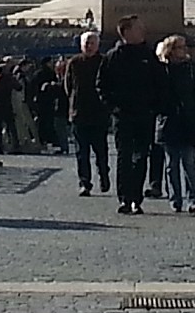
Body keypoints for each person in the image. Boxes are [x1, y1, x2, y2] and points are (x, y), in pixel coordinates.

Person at [103, 16, 162, 214]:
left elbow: (159, 81)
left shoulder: (149, 54)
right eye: (138, 27)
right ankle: (125, 199)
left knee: (141, 156)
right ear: (126, 32)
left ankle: (136, 197)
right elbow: (101, 85)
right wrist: (113, 107)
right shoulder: (113, 56)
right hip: (123, 115)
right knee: (124, 157)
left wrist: (154, 105)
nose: (143, 30)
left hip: (145, 114)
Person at [157, 34, 195, 214]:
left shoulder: (191, 69)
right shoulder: (161, 70)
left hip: (188, 120)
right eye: (180, 47)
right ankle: (175, 198)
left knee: (189, 163)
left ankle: (193, 199)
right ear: (171, 50)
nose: (184, 50)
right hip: (169, 120)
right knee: (172, 164)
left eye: (184, 47)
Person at [67, 31, 110, 197]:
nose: (88, 46)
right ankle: (85, 182)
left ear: (97, 45)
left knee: (101, 150)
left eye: (92, 43)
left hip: (99, 113)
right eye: (86, 43)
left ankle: (104, 174)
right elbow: (68, 86)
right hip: (79, 113)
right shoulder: (74, 62)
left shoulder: (103, 61)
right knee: (81, 152)